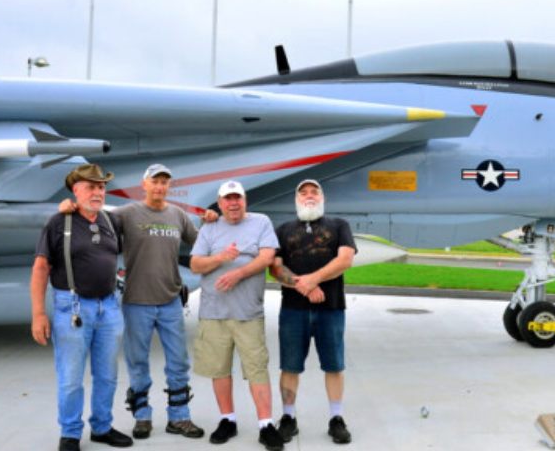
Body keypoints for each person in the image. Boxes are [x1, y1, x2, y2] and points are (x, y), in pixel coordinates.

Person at [61, 164, 215, 440]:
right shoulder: (126, 214)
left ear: (169, 187)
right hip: (136, 301)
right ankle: (142, 416)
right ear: (144, 184)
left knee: (178, 361)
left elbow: (202, 242)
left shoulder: (178, 215)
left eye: (165, 183)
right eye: (155, 182)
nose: (159, 187)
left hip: (170, 301)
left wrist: (213, 220)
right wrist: (69, 207)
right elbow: (92, 216)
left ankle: (179, 417)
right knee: (138, 362)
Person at [31, 164, 134, 451]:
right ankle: (71, 433)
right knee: (71, 377)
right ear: (75, 190)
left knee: (107, 375)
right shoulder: (58, 223)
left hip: (109, 308)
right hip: (72, 307)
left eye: (101, 186)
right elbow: (41, 268)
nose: (98, 191)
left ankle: (101, 427)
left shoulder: (111, 222)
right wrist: (38, 313)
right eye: (90, 186)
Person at [189, 181, 286, 451]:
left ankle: (266, 425)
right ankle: (227, 420)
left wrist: (238, 273)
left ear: (245, 201)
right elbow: (196, 264)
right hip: (214, 313)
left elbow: (267, 257)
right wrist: (221, 258)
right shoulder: (209, 228)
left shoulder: (261, 222)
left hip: (248, 314)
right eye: (227, 199)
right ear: (219, 204)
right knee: (219, 370)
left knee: (256, 369)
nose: (233, 203)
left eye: (238, 198)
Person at [270, 179, 356, 445]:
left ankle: (336, 419)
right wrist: (304, 287)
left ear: (322, 197)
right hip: (293, 310)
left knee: (334, 365)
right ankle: (287, 418)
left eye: (313, 191)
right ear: (296, 199)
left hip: (330, 308)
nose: (308, 196)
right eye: (303, 192)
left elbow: (345, 259)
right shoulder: (283, 230)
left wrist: (313, 279)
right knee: (290, 365)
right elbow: (275, 267)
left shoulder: (339, 226)